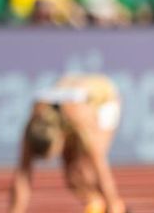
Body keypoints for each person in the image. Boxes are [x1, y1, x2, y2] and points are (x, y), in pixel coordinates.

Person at [9, 74, 127, 213]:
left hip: (103, 100)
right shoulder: (32, 127)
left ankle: (116, 207)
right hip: (71, 99)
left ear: (59, 137)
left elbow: (101, 166)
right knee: (72, 178)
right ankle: (96, 204)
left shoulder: (78, 116)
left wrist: (112, 202)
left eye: (55, 153)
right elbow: (22, 177)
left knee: (85, 170)